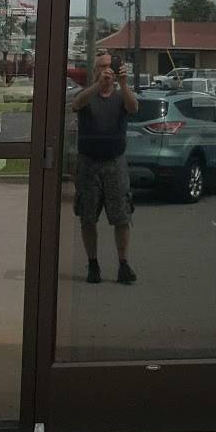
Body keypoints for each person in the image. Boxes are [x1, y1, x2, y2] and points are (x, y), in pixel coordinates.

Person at [71, 59, 138, 284]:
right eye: (101, 66)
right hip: (89, 163)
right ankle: (93, 264)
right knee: (88, 217)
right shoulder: (87, 95)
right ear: (94, 71)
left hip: (115, 163)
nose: (106, 70)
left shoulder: (121, 96)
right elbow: (76, 104)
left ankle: (123, 264)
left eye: (110, 66)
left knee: (122, 216)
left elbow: (133, 107)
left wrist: (124, 83)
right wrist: (98, 85)